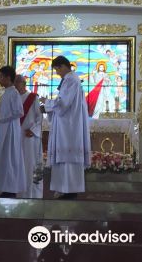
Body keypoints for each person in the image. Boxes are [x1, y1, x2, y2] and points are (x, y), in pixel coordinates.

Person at [40, 56, 91, 200]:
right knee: (67, 159)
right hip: (69, 124)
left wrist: (47, 103)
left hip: (68, 127)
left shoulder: (70, 79)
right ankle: (65, 189)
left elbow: (63, 104)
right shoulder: (73, 79)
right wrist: (50, 106)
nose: (57, 73)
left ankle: (68, 190)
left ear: (62, 66)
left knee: (67, 158)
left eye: (57, 69)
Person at [0, 66, 26, 198]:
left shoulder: (14, 93)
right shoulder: (6, 93)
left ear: (8, 78)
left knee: (9, 159)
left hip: (10, 131)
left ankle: (10, 189)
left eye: (1, 76)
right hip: (4, 130)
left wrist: (0, 117)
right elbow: (3, 112)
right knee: (4, 159)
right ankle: (5, 188)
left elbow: (19, 112)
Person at [14, 75, 43, 199]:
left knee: (30, 165)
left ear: (24, 83)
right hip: (15, 137)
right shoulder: (12, 98)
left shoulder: (33, 98)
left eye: (17, 83)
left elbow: (39, 117)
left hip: (29, 137)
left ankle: (32, 195)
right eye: (14, 83)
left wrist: (33, 130)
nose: (15, 85)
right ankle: (17, 193)